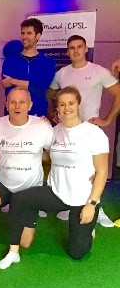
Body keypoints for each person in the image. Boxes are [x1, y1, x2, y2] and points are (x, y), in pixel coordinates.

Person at [0, 86, 108, 269]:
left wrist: (92, 203)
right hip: (56, 193)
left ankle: (89, 227)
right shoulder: (54, 131)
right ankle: (13, 251)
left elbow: (102, 171)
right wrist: (22, 147)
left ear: (79, 104)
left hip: (83, 199)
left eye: (71, 103)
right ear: (57, 107)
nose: (66, 108)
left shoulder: (93, 133)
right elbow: (48, 156)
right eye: (62, 104)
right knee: (19, 198)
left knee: (77, 253)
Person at [0, 87, 53, 263]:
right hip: (3, 183)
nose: (17, 106)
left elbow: (54, 155)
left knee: (25, 243)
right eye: (13, 102)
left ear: (29, 105)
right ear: (7, 104)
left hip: (29, 189)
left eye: (22, 102)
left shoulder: (42, 126)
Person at [47, 35, 120, 227]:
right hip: (67, 130)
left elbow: (118, 92)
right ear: (67, 51)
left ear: (85, 49)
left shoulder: (98, 71)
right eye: (71, 48)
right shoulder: (61, 73)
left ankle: (97, 207)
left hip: (89, 130)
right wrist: (53, 113)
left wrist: (107, 119)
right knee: (71, 169)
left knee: (96, 172)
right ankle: (68, 206)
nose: (75, 51)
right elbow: (52, 94)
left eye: (79, 47)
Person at [2, 18, 56, 116]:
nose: (24, 37)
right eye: (23, 33)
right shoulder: (10, 61)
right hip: (13, 116)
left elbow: (41, 87)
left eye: (29, 33)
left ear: (38, 36)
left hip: (38, 115)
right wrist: (30, 85)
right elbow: (8, 87)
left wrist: (13, 81)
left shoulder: (48, 62)